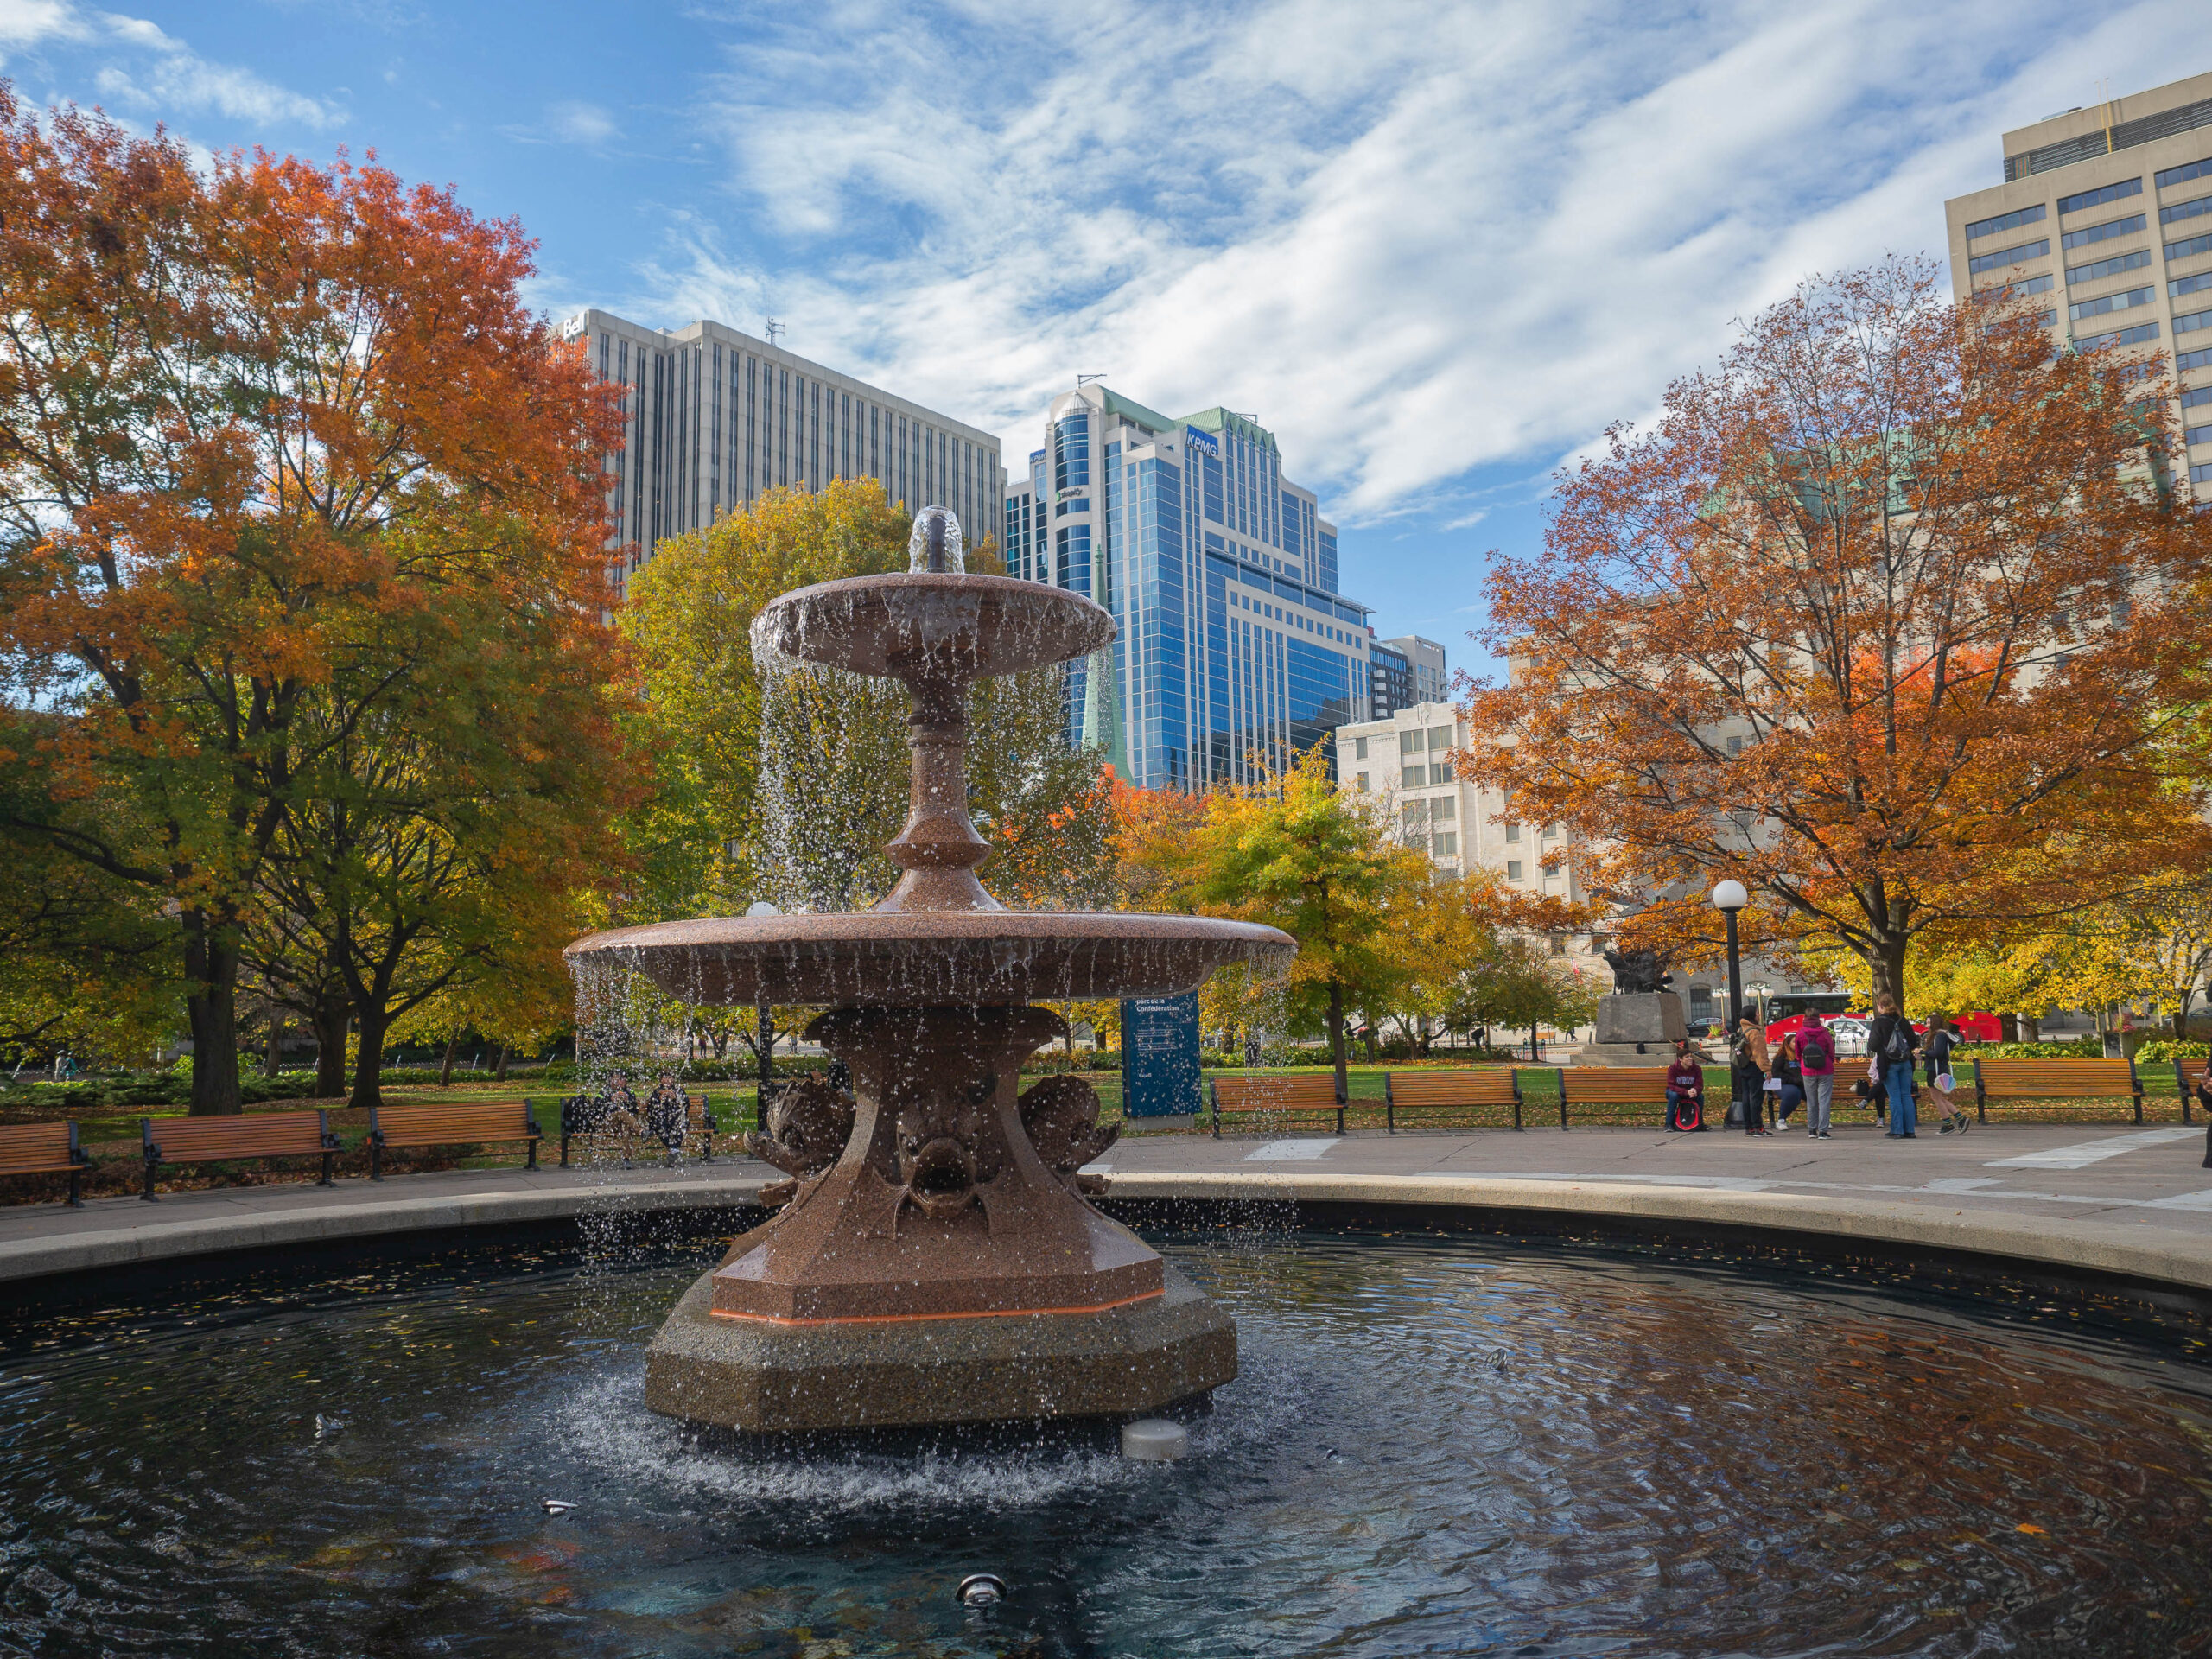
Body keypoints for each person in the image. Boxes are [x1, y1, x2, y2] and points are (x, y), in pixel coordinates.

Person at [1866, 993, 1921, 1139]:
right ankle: (1909, 1130)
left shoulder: (1879, 1022)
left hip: (1889, 1063)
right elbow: (1913, 1042)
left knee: (1894, 1096)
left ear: (1881, 1006)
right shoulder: (1903, 1021)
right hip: (1906, 1062)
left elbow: (1873, 1045)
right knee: (1906, 1095)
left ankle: (1897, 1130)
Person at [1926, 1015, 1970, 1134]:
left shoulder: (1939, 1036)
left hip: (1935, 1070)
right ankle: (1960, 1118)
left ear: (1935, 1023)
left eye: (1929, 1023)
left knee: (1937, 1098)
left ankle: (1948, 1124)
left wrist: (1923, 1052)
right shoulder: (1943, 1035)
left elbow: (1938, 1053)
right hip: (1939, 1068)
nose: (1927, 1025)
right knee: (1939, 1098)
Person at [1797, 1011, 1837, 1139]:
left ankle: (1812, 1130)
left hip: (1808, 1070)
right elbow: (1831, 1050)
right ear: (1818, 1018)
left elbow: (1798, 1053)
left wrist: (1803, 1062)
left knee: (1811, 1100)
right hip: (1825, 1069)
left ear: (1805, 1018)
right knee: (1824, 1100)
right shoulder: (1824, 1032)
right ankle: (1823, 1131)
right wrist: (1829, 1060)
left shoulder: (1800, 1033)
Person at [1733, 1015, 1771, 1135]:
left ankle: (1749, 1127)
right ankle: (1757, 1127)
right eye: (1756, 1013)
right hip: (1755, 1067)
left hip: (1744, 1066)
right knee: (1756, 1098)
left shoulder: (1741, 1029)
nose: (1759, 1015)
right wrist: (1767, 1069)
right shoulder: (1754, 1032)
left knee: (1746, 1097)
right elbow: (1760, 1053)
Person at [1664, 1038, 1707, 1132]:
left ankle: (1699, 1123)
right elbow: (1672, 1086)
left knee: (1700, 1097)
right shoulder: (1673, 1069)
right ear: (1680, 1059)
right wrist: (1685, 1092)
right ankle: (1668, 1124)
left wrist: (1695, 1090)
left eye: (1691, 1056)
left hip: (1690, 1092)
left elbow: (1699, 1084)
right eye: (1687, 1057)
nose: (1690, 1059)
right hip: (1675, 1092)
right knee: (1673, 1096)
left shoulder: (1697, 1069)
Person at [1770, 1032, 1805, 1134]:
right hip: (1784, 1085)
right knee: (1793, 1093)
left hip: (1802, 1084)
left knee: (1817, 1092)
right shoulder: (1781, 1057)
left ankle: (1822, 1119)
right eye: (1795, 1042)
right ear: (1788, 1043)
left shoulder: (1803, 1056)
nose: (1797, 1044)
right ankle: (1781, 1120)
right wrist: (1793, 1080)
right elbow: (1777, 1075)